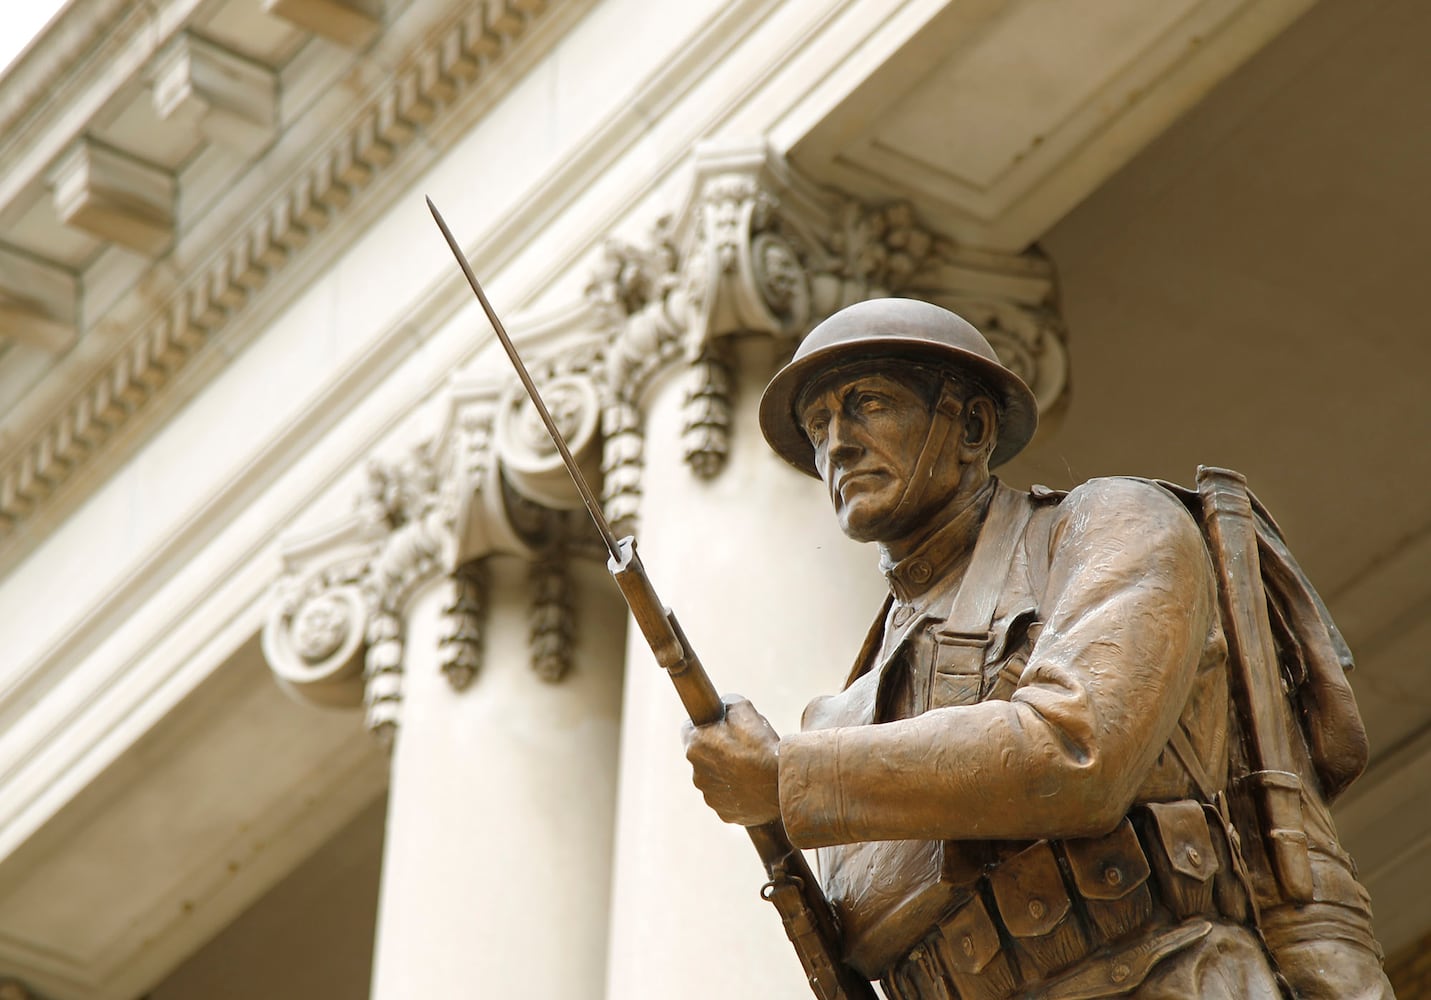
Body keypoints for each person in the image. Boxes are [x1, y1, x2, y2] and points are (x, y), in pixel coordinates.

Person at [682, 298, 1391, 999]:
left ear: (972, 425)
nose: (835, 443)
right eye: (817, 423)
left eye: (867, 403)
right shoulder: (844, 710)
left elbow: (1076, 752)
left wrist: (784, 777)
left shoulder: (1112, 524)